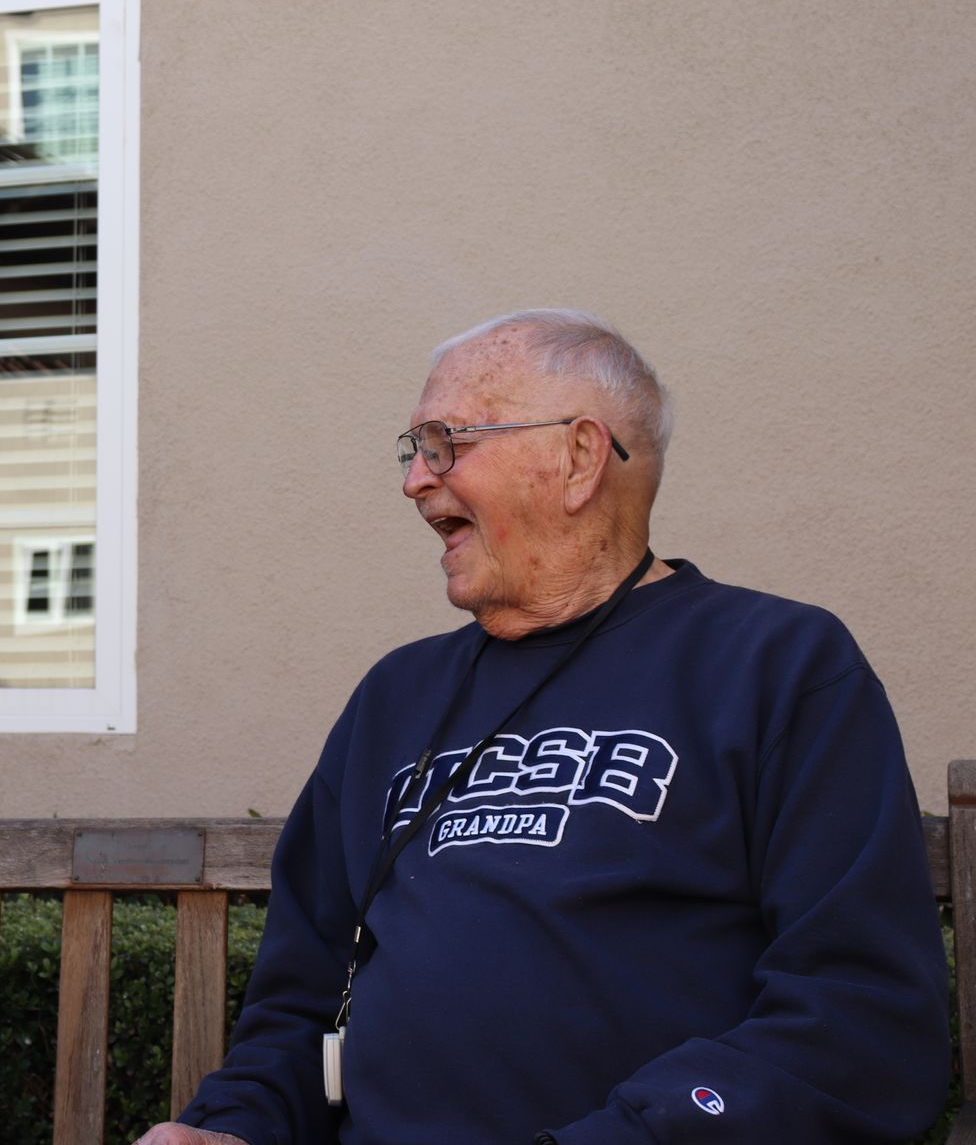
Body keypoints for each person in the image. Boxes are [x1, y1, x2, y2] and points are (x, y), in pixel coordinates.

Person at [137, 310, 949, 1145]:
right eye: (413, 449)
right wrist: (234, 1128)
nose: (415, 480)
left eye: (446, 443)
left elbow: (861, 1016)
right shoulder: (396, 695)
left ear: (578, 458)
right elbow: (302, 1002)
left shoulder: (775, 665)